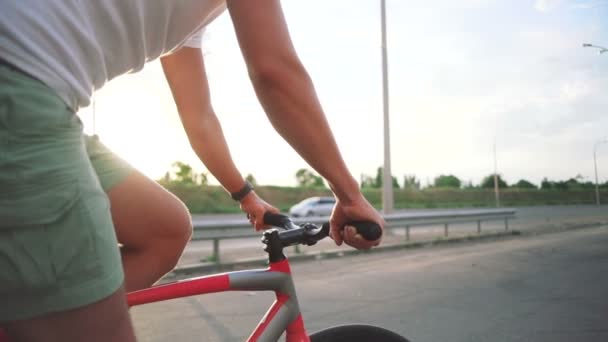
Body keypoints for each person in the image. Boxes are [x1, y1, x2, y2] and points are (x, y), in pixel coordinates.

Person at [0, 0, 385, 341]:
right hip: (20, 89)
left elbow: (199, 119)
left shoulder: (188, 23)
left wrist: (245, 195)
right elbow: (274, 72)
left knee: (165, 227)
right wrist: (349, 194)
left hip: (32, 88)